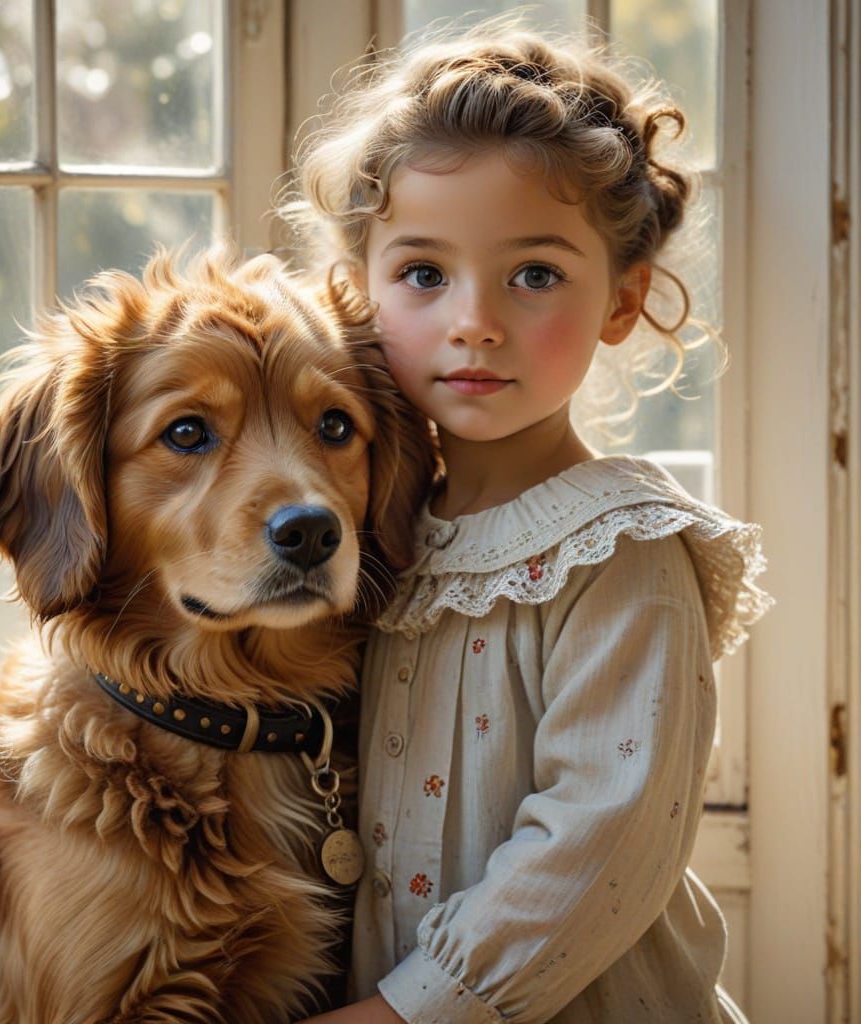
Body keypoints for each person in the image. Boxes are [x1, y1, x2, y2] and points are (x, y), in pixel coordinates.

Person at [281, 15, 772, 1023]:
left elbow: (599, 842)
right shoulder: (368, 533)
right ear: (358, 292)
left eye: (534, 274)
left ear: (622, 301)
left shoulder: (621, 550)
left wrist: (408, 1009)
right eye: (423, 272)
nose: (475, 320)